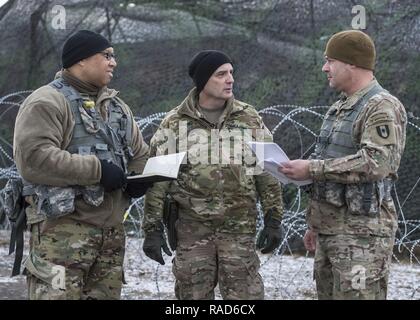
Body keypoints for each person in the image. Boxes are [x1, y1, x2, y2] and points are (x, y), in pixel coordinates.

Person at [13, 30, 151, 299]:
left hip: (109, 241)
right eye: (106, 55)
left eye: (114, 56)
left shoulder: (117, 108)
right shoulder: (48, 101)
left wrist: (138, 177)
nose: (114, 62)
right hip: (60, 239)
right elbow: (35, 158)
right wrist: (98, 171)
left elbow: (140, 152)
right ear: (81, 61)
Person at [142, 50, 284, 300]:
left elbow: (267, 170)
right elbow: (157, 180)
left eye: (231, 73)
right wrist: (152, 229)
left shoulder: (248, 117)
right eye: (221, 74)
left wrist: (274, 218)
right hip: (192, 229)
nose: (230, 79)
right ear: (203, 80)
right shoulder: (176, 123)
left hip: (239, 228)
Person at [279, 30, 407, 300]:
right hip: (332, 231)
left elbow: (377, 162)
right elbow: (332, 166)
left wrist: (311, 168)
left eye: (330, 60)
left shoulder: (380, 106)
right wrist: (314, 223)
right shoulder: (340, 108)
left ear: (352, 63)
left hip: (362, 237)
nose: (325, 67)